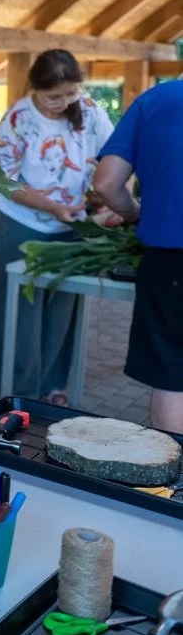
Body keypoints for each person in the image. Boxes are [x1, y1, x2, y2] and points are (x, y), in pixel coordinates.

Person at [0, 50, 114, 403]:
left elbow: (112, 157)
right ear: (35, 89)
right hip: (18, 220)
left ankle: (52, 387)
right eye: (53, 96)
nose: (63, 103)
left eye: (70, 93)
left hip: (72, 222)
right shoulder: (17, 119)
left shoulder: (90, 111)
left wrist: (106, 197)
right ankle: (14, 394)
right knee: (16, 309)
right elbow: (4, 181)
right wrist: (53, 207)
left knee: (62, 304)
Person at [93, 80, 183, 433]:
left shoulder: (155, 100)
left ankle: (174, 464)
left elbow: (106, 184)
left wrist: (135, 214)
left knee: (172, 375)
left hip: (172, 263)